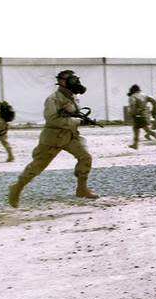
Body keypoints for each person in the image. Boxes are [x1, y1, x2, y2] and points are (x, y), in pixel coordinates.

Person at [8, 70, 97, 207]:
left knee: (85, 157)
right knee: (37, 166)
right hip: (53, 138)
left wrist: (83, 120)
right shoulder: (53, 99)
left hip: (71, 136)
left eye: (75, 79)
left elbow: (74, 115)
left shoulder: (73, 97)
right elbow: (52, 120)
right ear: (61, 82)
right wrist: (78, 122)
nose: (76, 82)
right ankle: (17, 188)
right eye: (72, 80)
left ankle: (81, 189)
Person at [126, 85, 156, 149]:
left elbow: (132, 106)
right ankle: (135, 144)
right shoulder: (144, 95)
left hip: (137, 115)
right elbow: (154, 100)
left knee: (147, 130)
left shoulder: (132, 96)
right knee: (136, 129)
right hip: (144, 114)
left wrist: (131, 113)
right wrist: (154, 108)